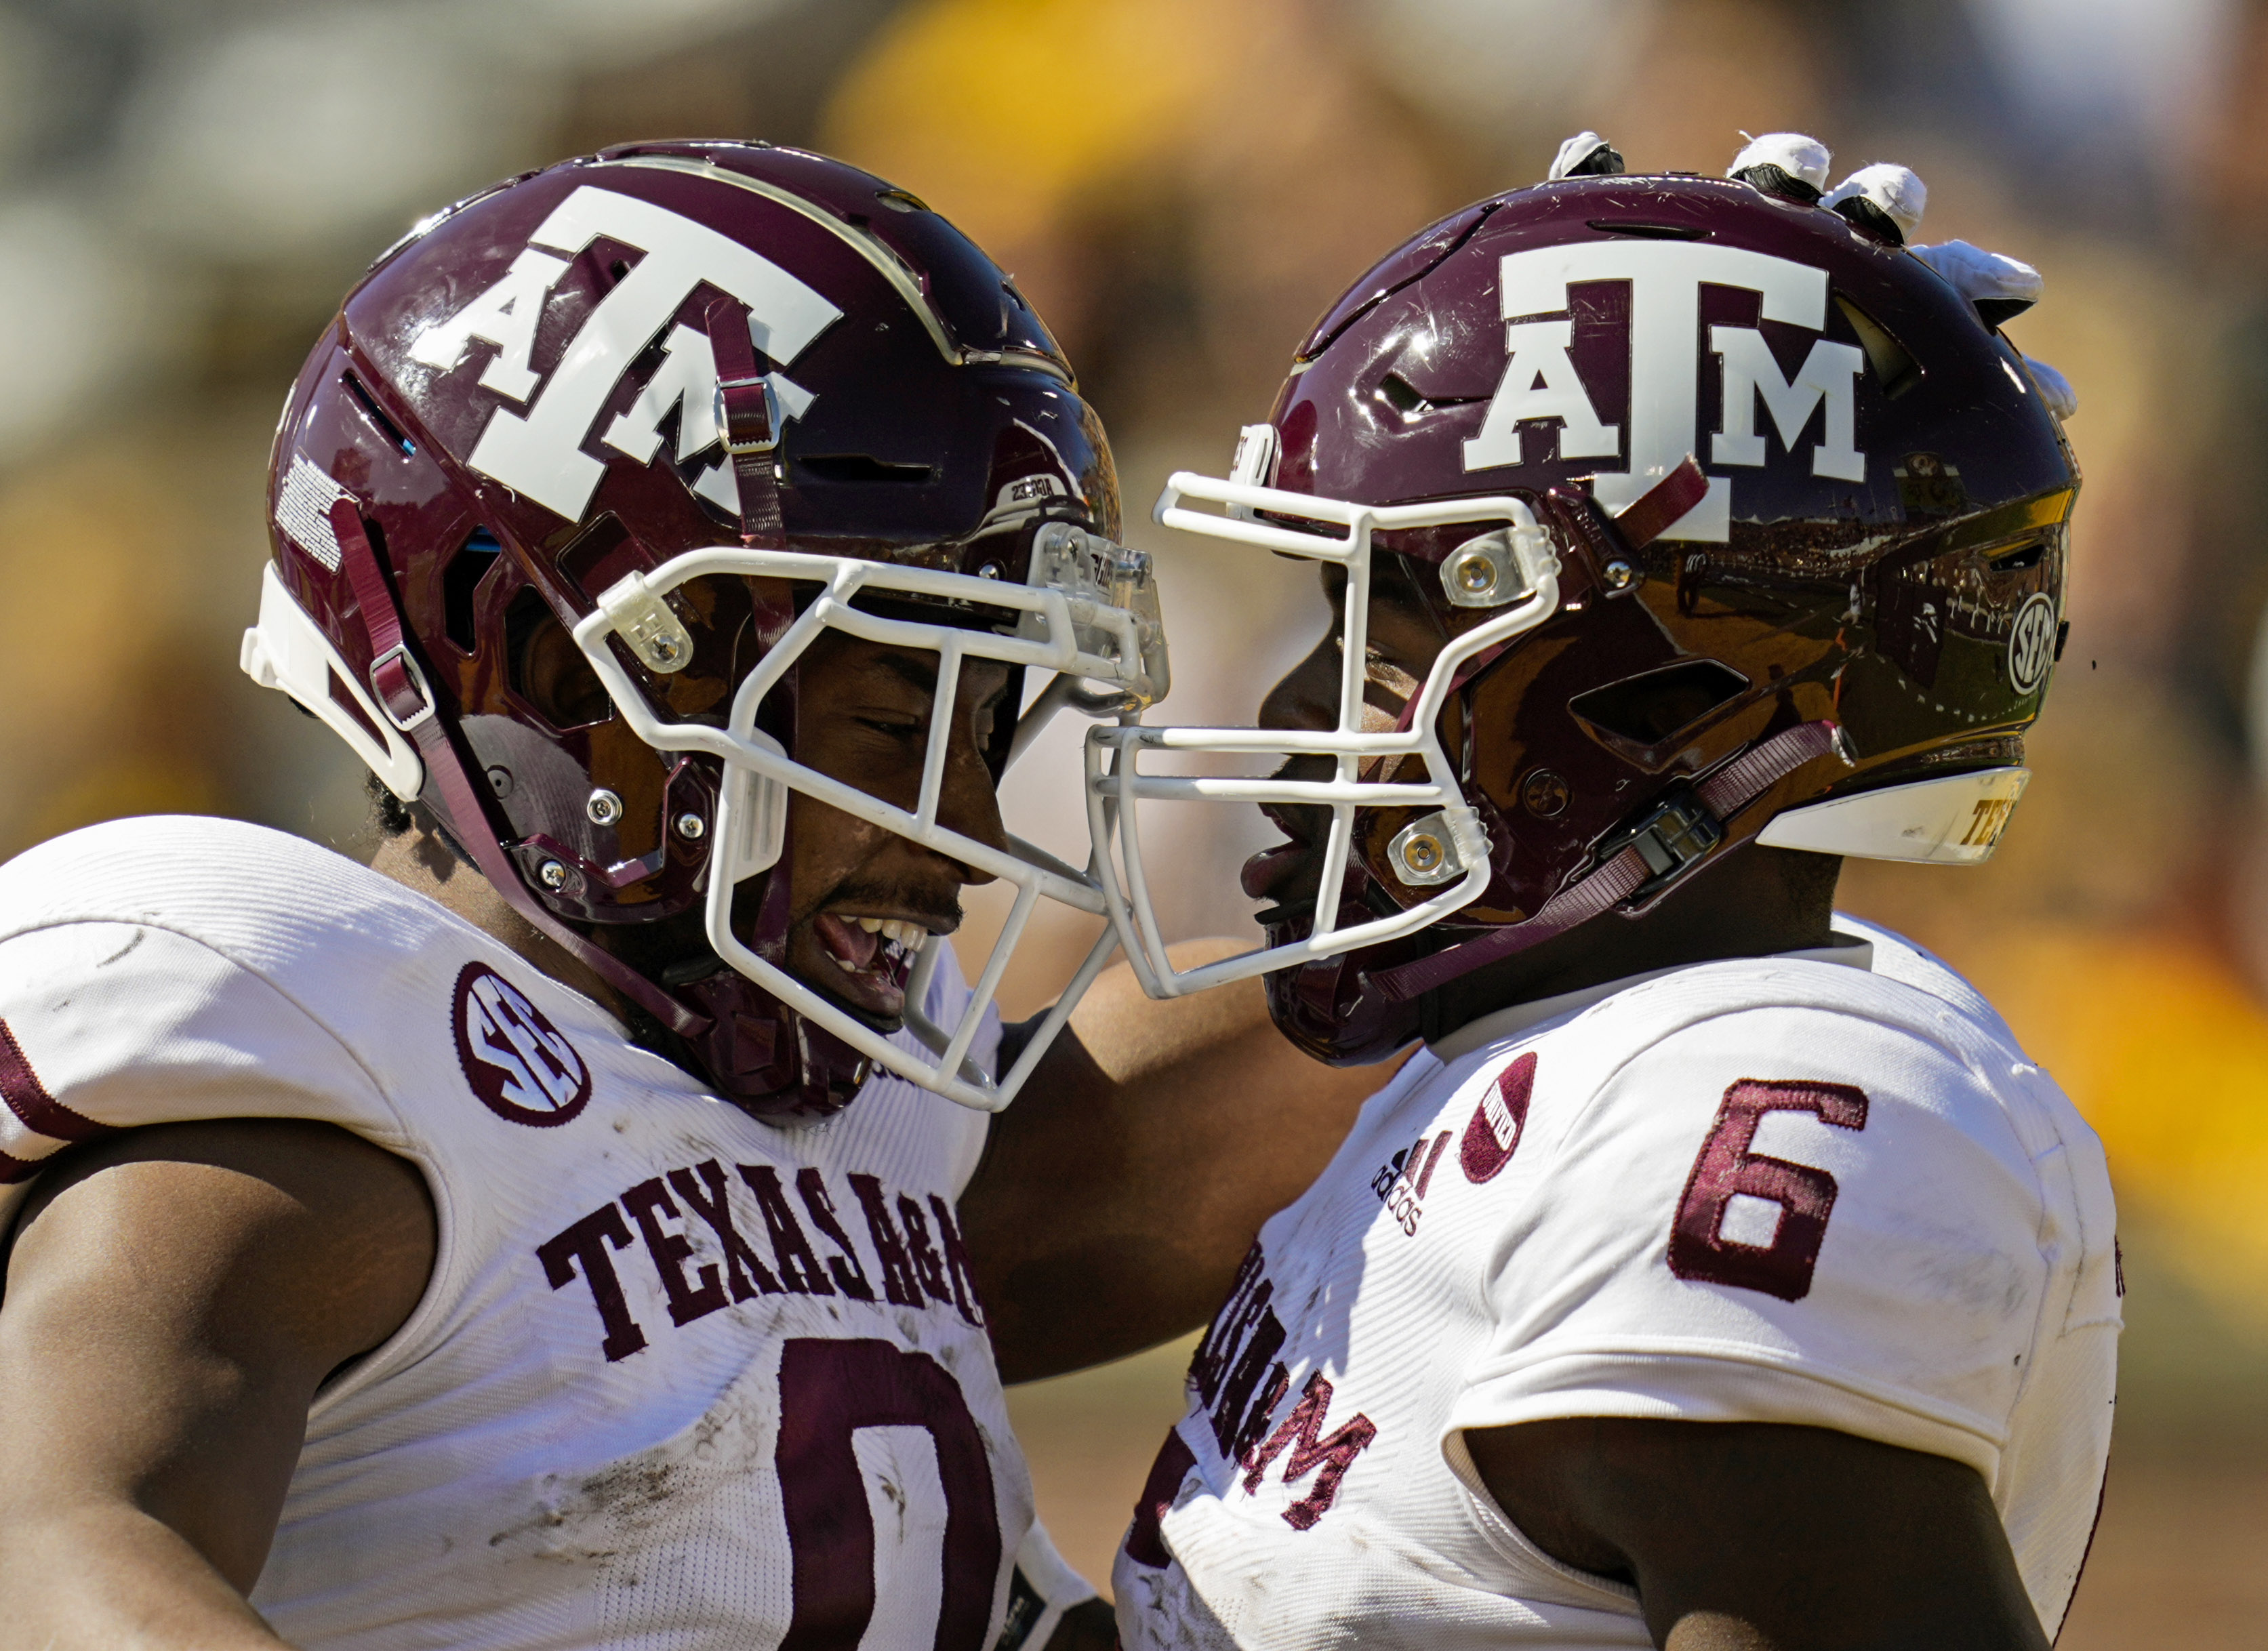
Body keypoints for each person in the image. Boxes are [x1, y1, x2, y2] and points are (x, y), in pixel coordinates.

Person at [0, 142, 1381, 1651]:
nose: (971, 829)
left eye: (990, 728)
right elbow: (54, 1546)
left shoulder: (881, 1128)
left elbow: (1351, 1030)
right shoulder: (329, 1057)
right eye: (886, 724)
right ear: (551, 675)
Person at [1099, 134, 2118, 1649]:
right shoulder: (1519, 1030)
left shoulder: (1752, 1105)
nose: (1304, 699)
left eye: (1386, 628)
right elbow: (974, 1191)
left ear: (1664, 699)